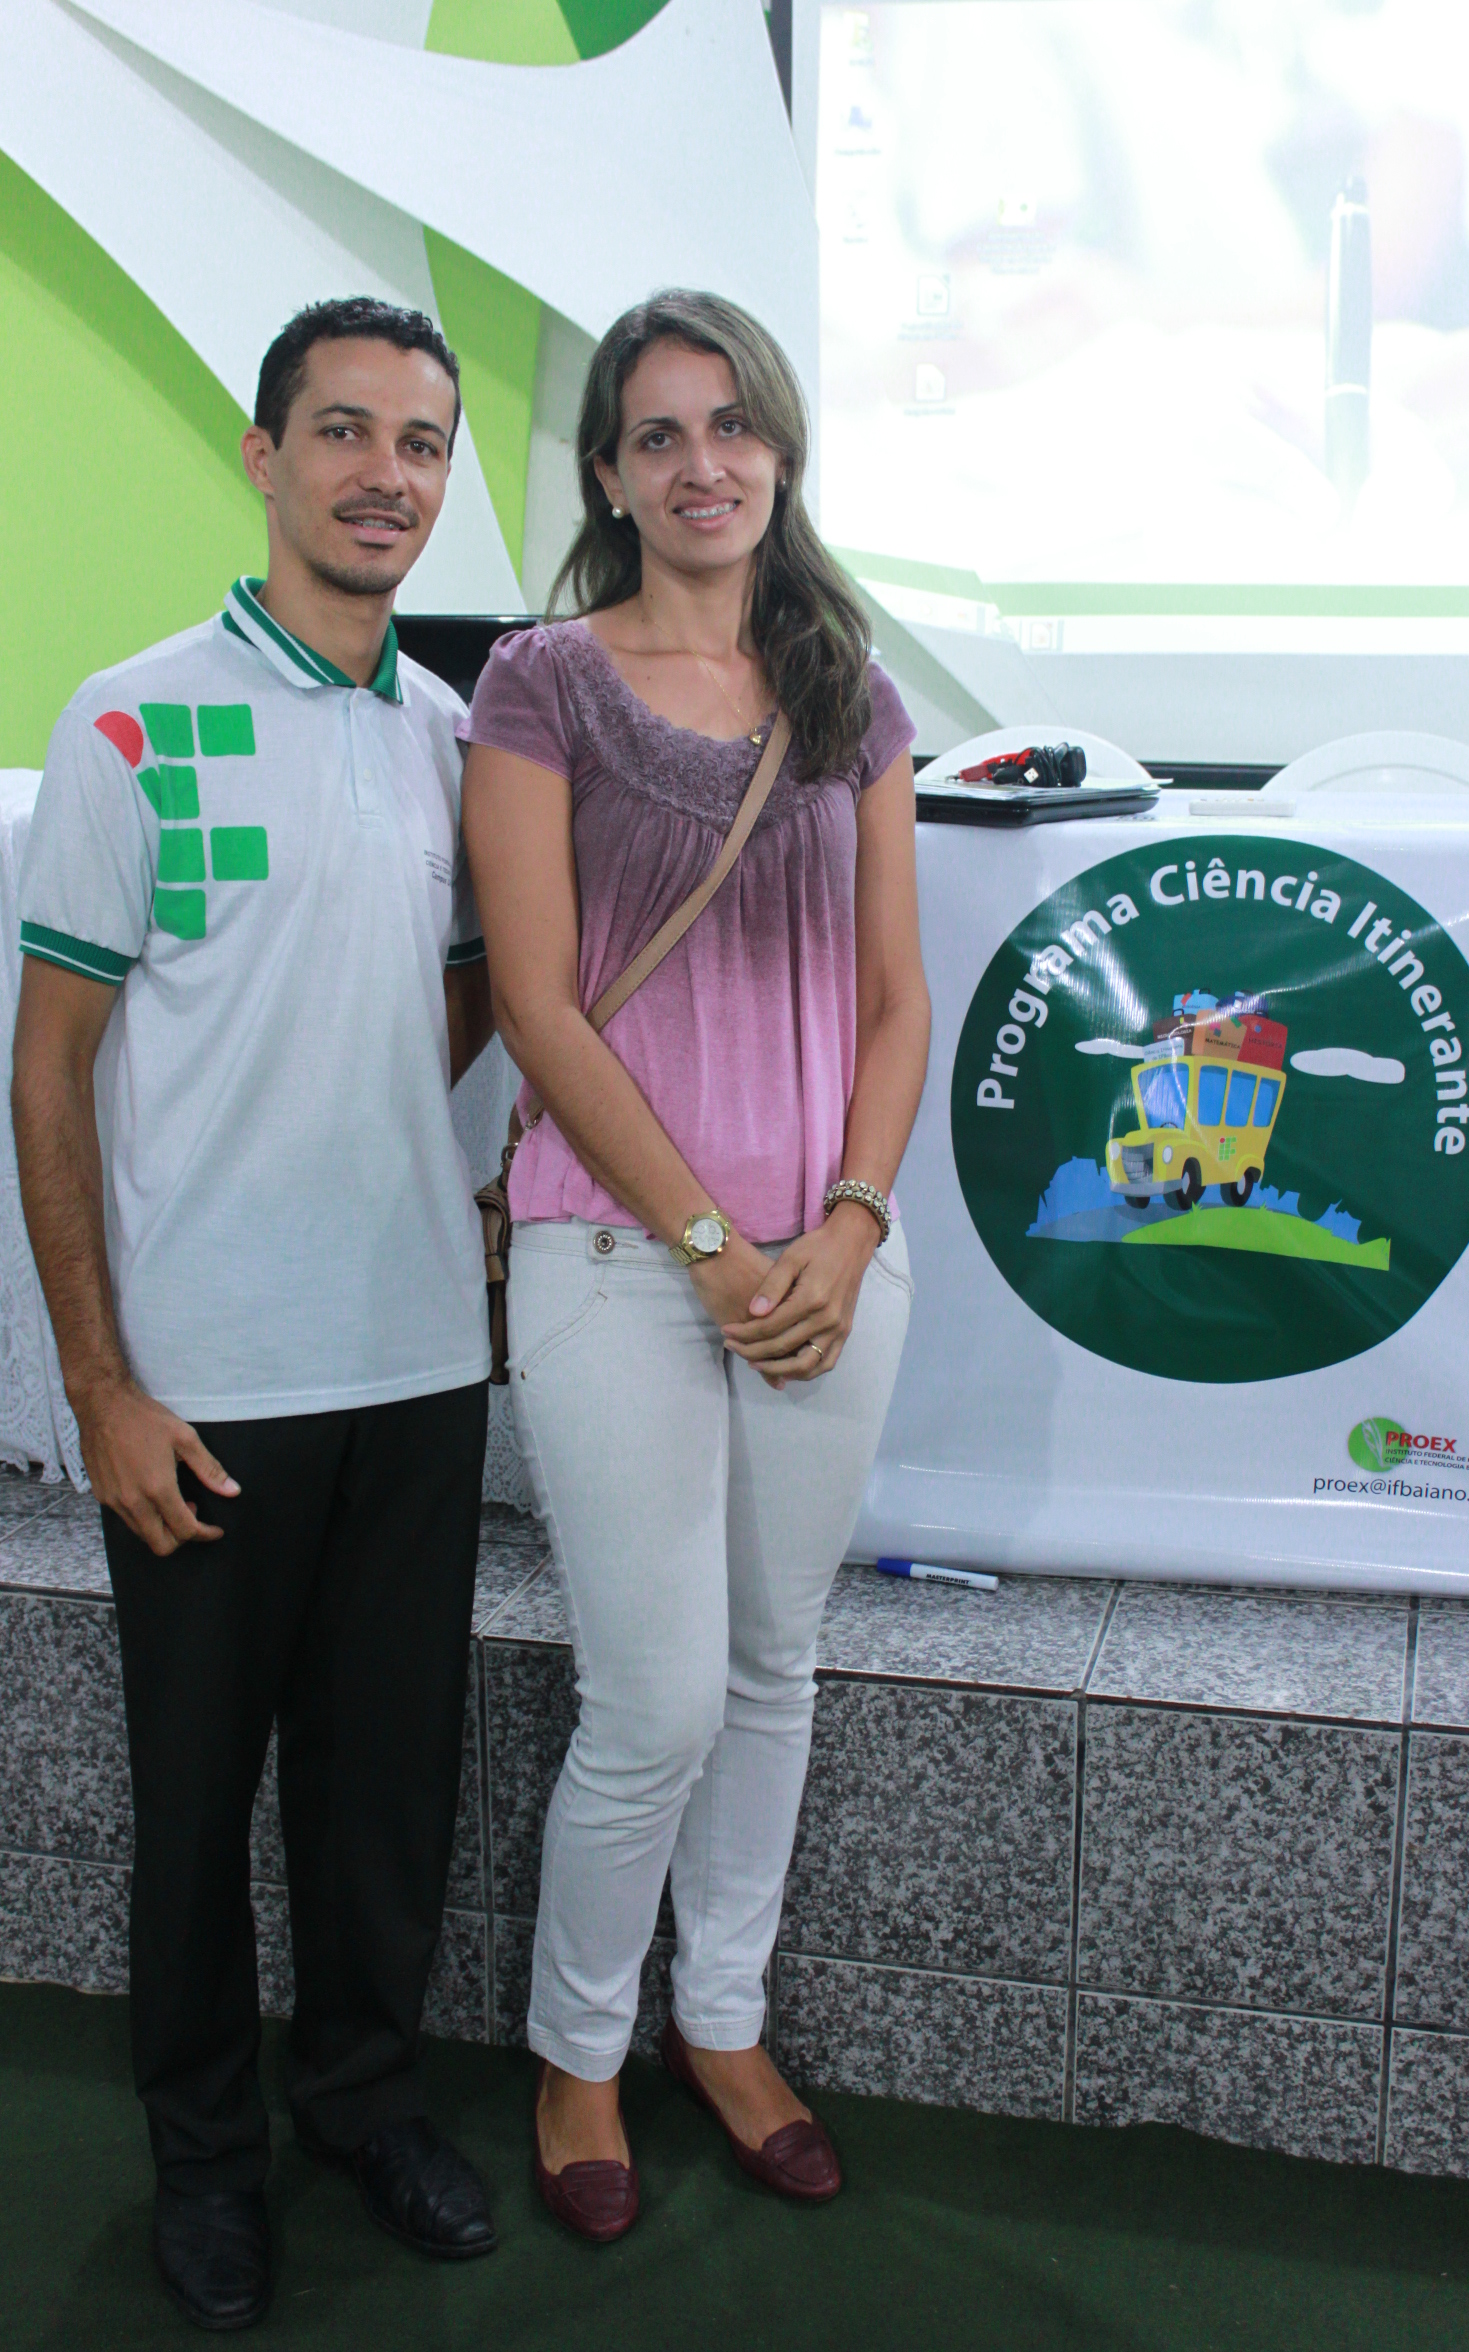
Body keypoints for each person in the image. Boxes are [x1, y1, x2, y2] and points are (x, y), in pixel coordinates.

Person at [10, 298, 500, 2331]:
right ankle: (206, 2163)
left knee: (387, 1792)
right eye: (345, 431)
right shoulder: (133, 722)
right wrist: (100, 1385)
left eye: (421, 442)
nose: (387, 474)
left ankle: (363, 2102)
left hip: (421, 1363)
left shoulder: (458, 736)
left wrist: (380, 1137)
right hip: (203, 1384)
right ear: (264, 454)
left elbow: (464, 995)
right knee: (197, 1805)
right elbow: (49, 1072)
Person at [461, 289, 931, 2241]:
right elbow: (539, 1006)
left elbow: (897, 1003)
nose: (701, 462)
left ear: (782, 451)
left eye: (732, 424)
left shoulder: (849, 693)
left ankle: (720, 2023)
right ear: (606, 476)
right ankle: (577, 2051)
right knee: (653, 1699)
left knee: (769, 1665)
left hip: (826, 1268)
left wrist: (849, 1225)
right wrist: (718, 1243)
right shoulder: (541, 685)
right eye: (657, 433)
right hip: (614, 1257)